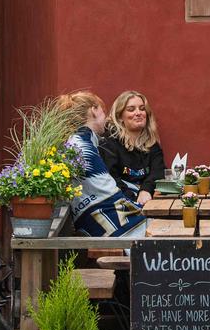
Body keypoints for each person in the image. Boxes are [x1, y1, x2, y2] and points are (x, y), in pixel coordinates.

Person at [61, 91, 148, 237]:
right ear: (94, 110)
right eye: (103, 111)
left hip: (94, 222)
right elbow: (107, 195)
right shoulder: (82, 144)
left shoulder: (78, 141)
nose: (106, 118)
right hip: (113, 223)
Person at [98, 90, 166, 206]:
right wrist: (133, 198)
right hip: (119, 202)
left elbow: (158, 172)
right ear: (120, 117)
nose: (138, 113)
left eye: (142, 108)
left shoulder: (151, 143)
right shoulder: (108, 142)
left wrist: (145, 190)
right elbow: (111, 178)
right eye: (131, 109)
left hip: (147, 199)